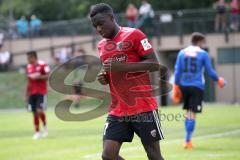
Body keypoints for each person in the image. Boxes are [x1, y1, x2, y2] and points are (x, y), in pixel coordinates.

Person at [90, 3, 164, 160]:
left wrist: (122, 67)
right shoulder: (101, 45)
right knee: (108, 155)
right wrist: (104, 77)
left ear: (111, 18)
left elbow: (154, 64)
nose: (98, 29)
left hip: (142, 106)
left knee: (154, 155)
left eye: (101, 24)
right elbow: (112, 70)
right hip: (118, 109)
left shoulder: (134, 34)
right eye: (95, 26)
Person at [172, 32, 226, 149]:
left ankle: (187, 138)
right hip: (196, 86)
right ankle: (187, 141)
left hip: (184, 86)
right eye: (203, 42)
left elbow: (177, 72)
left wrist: (176, 87)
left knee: (188, 113)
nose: (203, 45)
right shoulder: (203, 54)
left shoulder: (182, 53)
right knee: (192, 113)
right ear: (200, 41)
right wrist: (219, 80)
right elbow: (210, 71)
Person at [25, 51, 50, 140]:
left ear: (34, 57)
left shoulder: (43, 65)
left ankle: (45, 126)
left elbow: (48, 76)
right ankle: (37, 132)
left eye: (29, 58)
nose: (27, 60)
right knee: (34, 113)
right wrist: (26, 95)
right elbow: (28, 81)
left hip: (41, 92)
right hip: (32, 93)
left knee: (39, 110)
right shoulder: (28, 67)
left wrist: (38, 77)